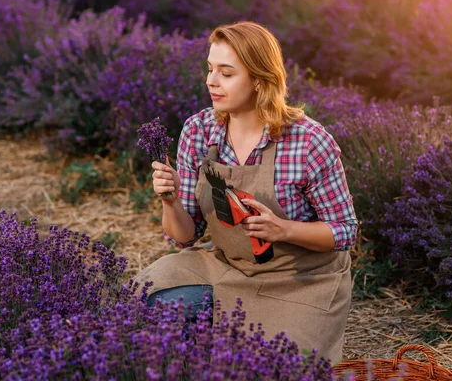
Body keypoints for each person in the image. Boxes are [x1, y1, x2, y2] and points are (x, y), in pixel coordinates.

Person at [132, 21, 358, 364]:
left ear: (258, 79)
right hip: (227, 266)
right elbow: (185, 236)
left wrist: (285, 230)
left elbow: (344, 231)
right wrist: (171, 200)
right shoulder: (198, 130)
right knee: (144, 304)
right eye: (210, 69)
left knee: (274, 365)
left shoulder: (309, 141)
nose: (211, 81)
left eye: (226, 72)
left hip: (300, 279)